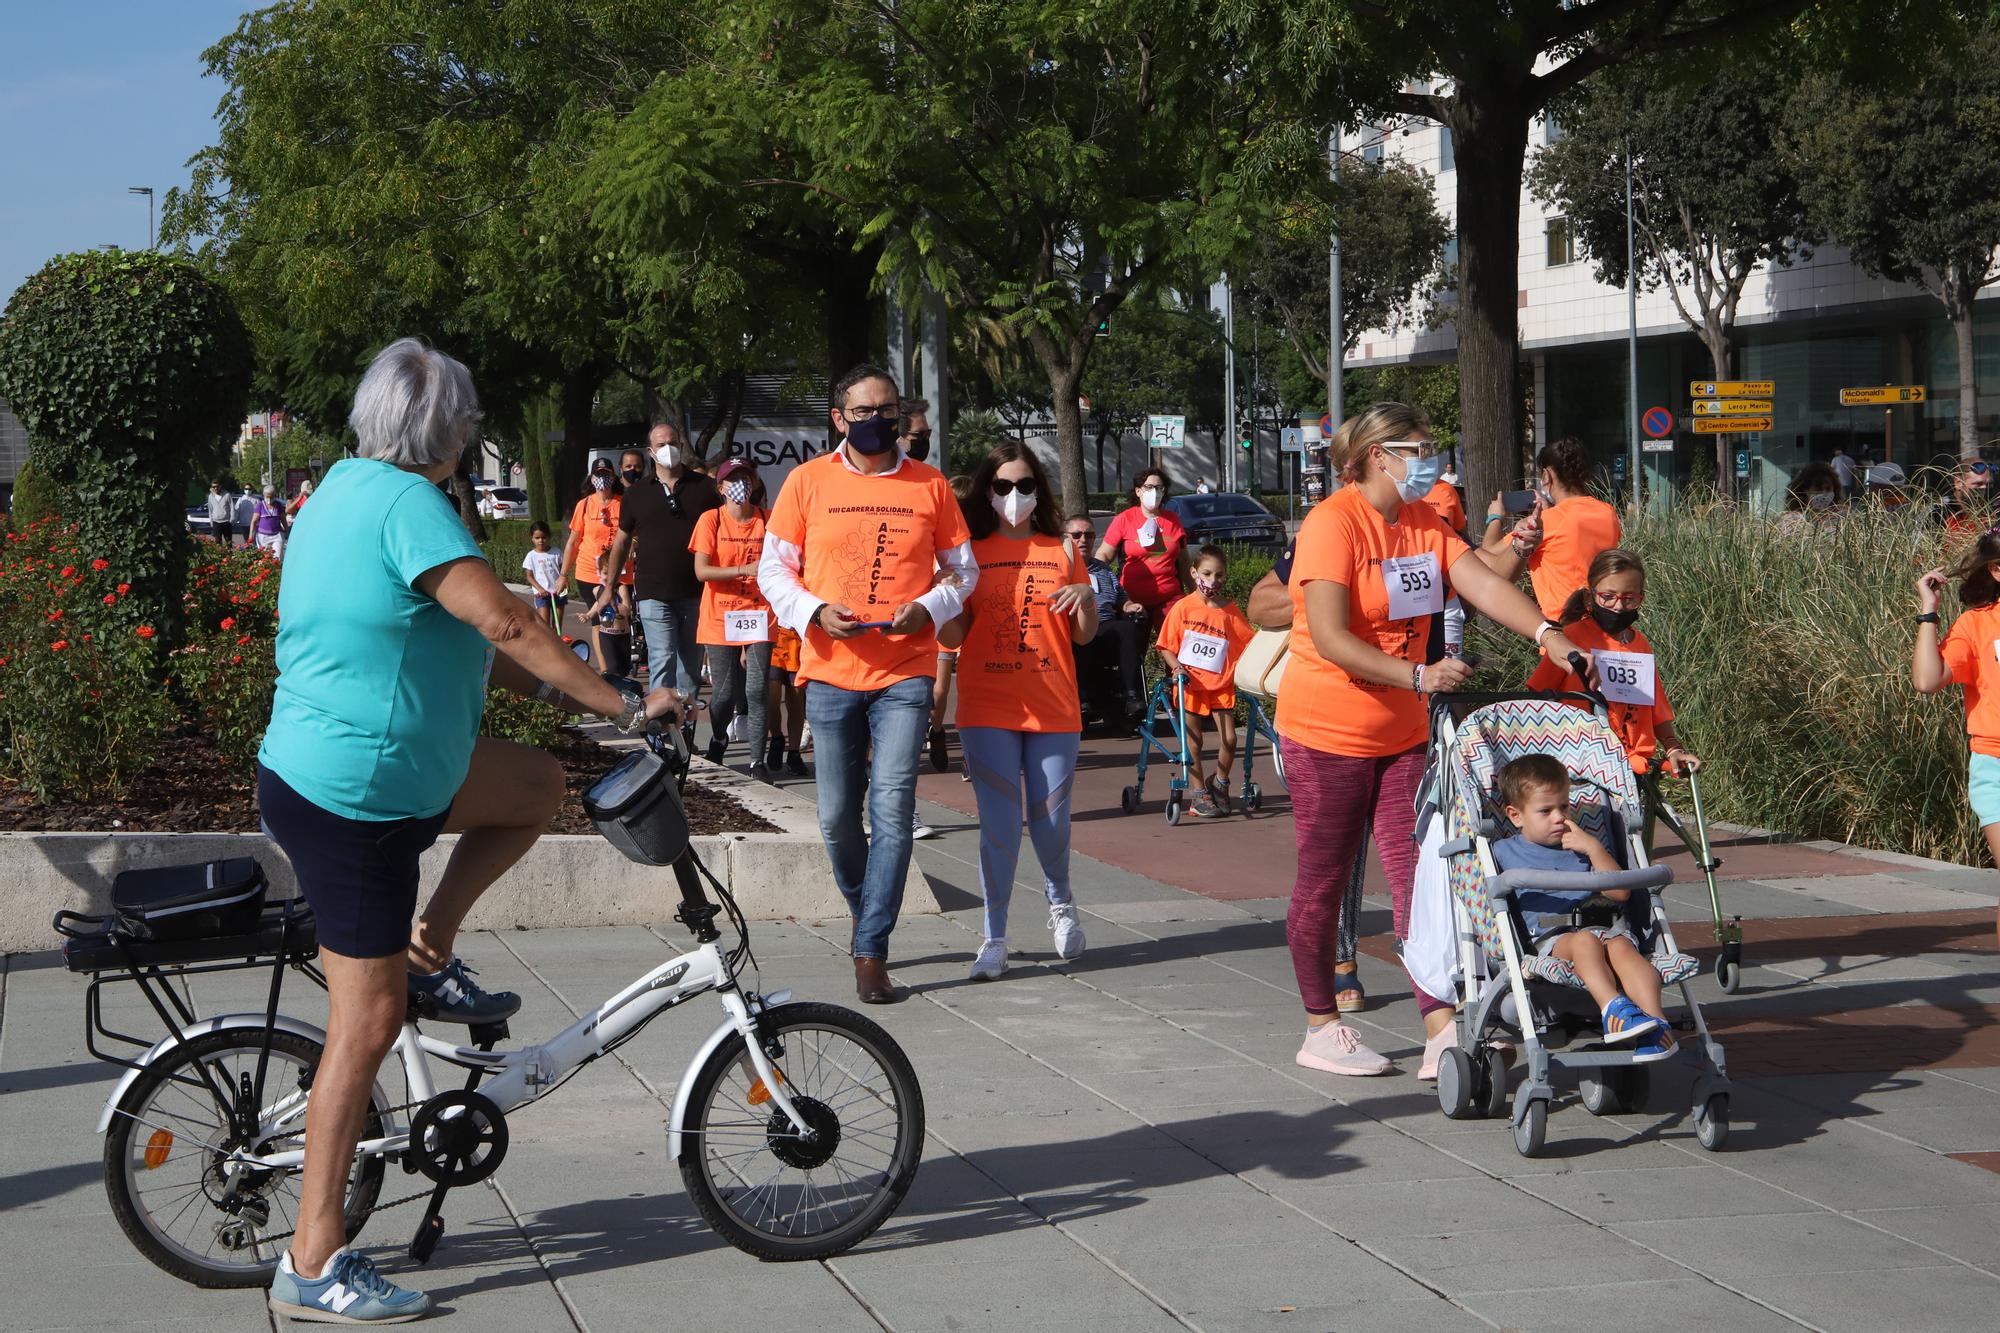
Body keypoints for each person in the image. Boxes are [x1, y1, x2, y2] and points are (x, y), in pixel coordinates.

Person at [259, 338, 676, 1323]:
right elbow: (506, 626)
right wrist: (620, 707)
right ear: (445, 431)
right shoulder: (408, 504)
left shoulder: (346, 492)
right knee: (362, 1027)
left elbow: (479, 644)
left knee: (531, 784)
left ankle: (429, 943)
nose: (471, 434)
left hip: (371, 776)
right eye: (468, 421)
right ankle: (313, 1260)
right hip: (356, 800)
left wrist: (581, 696)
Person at [1279, 401, 1597, 1080]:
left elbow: (1479, 581)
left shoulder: (1424, 521)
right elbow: (1331, 636)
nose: (1430, 459)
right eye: (1417, 448)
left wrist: (1550, 636)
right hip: (1325, 731)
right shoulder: (1331, 523)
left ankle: (1438, 1026)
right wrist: (1416, 673)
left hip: (1401, 733)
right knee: (1325, 878)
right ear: (1376, 457)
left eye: (1431, 445)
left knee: (1422, 876)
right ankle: (1320, 1023)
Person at [758, 363, 976, 1003]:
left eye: (888, 410)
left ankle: (870, 947)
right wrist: (814, 613)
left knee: (892, 808)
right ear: (839, 419)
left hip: (905, 673)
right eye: (863, 412)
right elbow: (776, 572)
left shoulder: (931, 486)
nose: (877, 421)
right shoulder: (805, 482)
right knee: (834, 819)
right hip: (828, 673)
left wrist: (930, 608)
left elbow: (962, 574)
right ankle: (868, 909)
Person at [940, 441, 1095, 979]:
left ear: (1039, 490)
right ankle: (995, 936)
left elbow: (1084, 634)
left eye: (1025, 485)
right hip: (987, 706)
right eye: (1003, 486)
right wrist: (939, 600)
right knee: (999, 826)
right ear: (988, 490)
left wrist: (1086, 598)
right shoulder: (969, 554)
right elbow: (956, 633)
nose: (1014, 496)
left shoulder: (1063, 549)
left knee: (1049, 823)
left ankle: (1060, 901)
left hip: (1053, 705)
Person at [1244, 541, 1366, 1012]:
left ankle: (1438, 981)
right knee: (1340, 846)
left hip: (1420, 706)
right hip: (1329, 717)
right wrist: (1329, 595)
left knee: (1420, 848)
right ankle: (1338, 963)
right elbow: (1259, 602)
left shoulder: (1433, 531)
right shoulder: (1333, 530)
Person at [1491, 754, 1676, 1060]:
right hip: (1551, 938)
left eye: (1564, 807)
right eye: (1545, 811)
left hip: (1604, 927)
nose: (1559, 817)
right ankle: (1612, 1008)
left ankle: (1657, 1026)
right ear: (1516, 815)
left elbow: (1620, 893)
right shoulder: (1503, 851)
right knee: (1585, 941)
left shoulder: (1580, 846)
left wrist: (1593, 847)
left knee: (1625, 950)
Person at [1523, 548, 1702, 848]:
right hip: (1582, 768)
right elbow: (1538, 698)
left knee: (1630, 851)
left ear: (1640, 597)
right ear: (1591, 596)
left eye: (1630, 598)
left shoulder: (1641, 644)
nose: (1618, 606)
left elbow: (1655, 707)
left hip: (1631, 769)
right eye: (1608, 597)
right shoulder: (1572, 636)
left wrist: (1673, 749)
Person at [592, 422, 723, 709]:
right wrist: (608, 588)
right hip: (653, 591)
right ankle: (662, 728)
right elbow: (622, 543)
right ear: (651, 452)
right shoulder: (637, 494)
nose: (669, 449)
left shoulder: (705, 488)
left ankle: (685, 726)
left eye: (673, 442)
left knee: (690, 663)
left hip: (696, 591)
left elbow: (724, 531)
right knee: (662, 657)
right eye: (662, 445)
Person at [1913, 535, 2000, 936]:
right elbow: (1928, 680)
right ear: (1996, 570)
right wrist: (1929, 613)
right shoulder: (1978, 623)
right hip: (1995, 764)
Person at [691, 458, 777, 779]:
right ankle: (718, 737)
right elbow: (702, 571)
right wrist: (743, 570)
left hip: (759, 614)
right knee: (725, 694)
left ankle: (757, 760)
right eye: (733, 478)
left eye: (745, 477)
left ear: (754, 483)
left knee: (756, 690)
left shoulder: (768, 521)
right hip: (719, 615)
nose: (740, 483)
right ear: (721, 487)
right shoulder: (711, 520)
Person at [1155, 544, 1255, 818]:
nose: (1213, 581)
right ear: (1193, 572)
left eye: (1219, 575)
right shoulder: (1183, 608)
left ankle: (1220, 783)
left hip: (1220, 684)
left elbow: (1248, 643)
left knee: (1231, 738)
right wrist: (1176, 668)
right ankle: (1198, 793)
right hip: (1190, 685)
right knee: (1193, 742)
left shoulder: (1229, 610)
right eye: (1207, 573)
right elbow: (1165, 645)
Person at [1480, 436, 1622, 620]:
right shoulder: (1608, 512)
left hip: (1562, 628)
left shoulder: (1547, 521)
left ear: (1546, 476)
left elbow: (1489, 553)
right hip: (1602, 620)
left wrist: (1495, 517)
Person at [1067, 513, 1147, 724]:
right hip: (1074, 628)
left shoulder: (1103, 570)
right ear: (1066, 538)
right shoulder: (1061, 569)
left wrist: (1130, 605)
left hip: (1104, 625)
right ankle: (1082, 700)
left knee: (1128, 628)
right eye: (1076, 535)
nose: (1083, 540)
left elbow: (1121, 599)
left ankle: (1132, 697)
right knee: (1079, 635)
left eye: (1089, 535)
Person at [1095, 467, 1191, 625]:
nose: (1155, 492)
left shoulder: (1173, 520)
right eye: (1149, 487)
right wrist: (1095, 582)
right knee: (1134, 648)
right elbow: (1104, 555)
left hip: (1169, 599)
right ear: (1138, 491)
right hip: (1132, 602)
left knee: (1174, 647)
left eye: (1159, 488)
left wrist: (1196, 596)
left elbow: (1184, 561)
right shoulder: (1123, 519)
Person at [561, 460, 623, 666]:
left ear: (613, 477)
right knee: (599, 620)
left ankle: (620, 663)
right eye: (598, 474)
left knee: (618, 617)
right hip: (588, 573)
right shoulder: (585, 505)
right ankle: (606, 669)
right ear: (592, 478)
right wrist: (563, 575)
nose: (602, 478)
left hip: (618, 572)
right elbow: (573, 542)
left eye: (606, 473)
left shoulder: (623, 503)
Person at [765, 624, 810, 778]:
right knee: (771, 698)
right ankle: (777, 738)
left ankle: (794, 753)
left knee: (796, 699)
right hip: (774, 636)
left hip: (799, 638)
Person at [522, 520, 566, 632]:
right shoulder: (531, 556)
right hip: (542, 594)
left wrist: (565, 582)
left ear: (549, 537)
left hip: (558, 592)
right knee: (544, 625)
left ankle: (557, 645)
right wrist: (540, 589)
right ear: (532, 538)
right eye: (537, 538)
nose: (541, 541)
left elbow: (563, 572)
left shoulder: (556, 552)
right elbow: (529, 576)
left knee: (557, 625)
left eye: (544, 537)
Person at [1778, 462, 1844, 536]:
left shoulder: (1840, 518)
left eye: (1828, 489)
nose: (1824, 493)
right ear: (1805, 490)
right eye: (1818, 489)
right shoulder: (1792, 519)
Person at [252, 485, 288, 561]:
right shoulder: (260, 505)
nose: (269, 499)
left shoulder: (278, 505)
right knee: (264, 559)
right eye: (267, 497)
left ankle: (277, 572)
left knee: (277, 558)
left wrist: (287, 532)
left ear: (274, 495)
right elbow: (254, 521)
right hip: (263, 537)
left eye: (271, 497)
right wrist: (250, 536)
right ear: (264, 495)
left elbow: (283, 520)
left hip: (277, 535)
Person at [206, 479, 236, 547]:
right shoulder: (210, 496)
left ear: (220, 486)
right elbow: (210, 509)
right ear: (212, 488)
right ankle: (220, 557)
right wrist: (211, 521)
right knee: (218, 543)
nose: (215, 488)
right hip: (216, 522)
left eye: (217, 486)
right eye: (213, 487)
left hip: (226, 522)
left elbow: (232, 507)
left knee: (228, 542)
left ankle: (229, 557)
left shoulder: (227, 495)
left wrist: (231, 520)